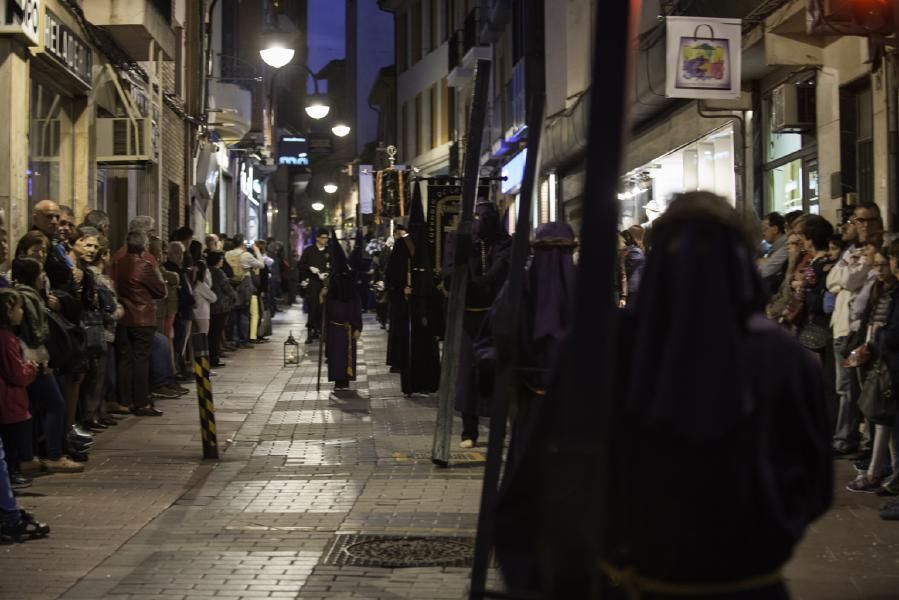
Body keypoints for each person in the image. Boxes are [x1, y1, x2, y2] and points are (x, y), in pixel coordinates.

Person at [598, 192, 831, 600]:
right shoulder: (785, 357)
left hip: (651, 579)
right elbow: (813, 483)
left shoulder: (610, 351)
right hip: (746, 580)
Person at [475, 221, 577, 592]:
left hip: (575, 418)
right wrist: (503, 359)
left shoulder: (585, 293)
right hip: (534, 413)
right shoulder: (517, 293)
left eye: (561, 254)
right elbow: (487, 344)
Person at [11, 257, 83, 472]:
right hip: (35, 360)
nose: (44, 277)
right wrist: (41, 362)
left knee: (33, 408)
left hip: (29, 361)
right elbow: (34, 333)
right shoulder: (29, 298)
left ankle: (31, 455)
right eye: (41, 273)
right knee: (55, 403)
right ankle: (53, 454)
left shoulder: (28, 295)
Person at [451, 201, 511, 448]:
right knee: (468, 375)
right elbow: (452, 270)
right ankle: (469, 431)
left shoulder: (505, 244)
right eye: (475, 217)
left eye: (483, 217)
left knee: (498, 374)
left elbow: (498, 273)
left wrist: (484, 280)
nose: (479, 222)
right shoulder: (464, 243)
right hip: (470, 318)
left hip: (497, 317)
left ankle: (500, 428)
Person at [828, 203, 881, 455]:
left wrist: (844, 281)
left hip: (863, 328)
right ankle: (849, 439)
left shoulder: (876, 251)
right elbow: (832, 281)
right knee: (846, 388)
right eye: (859, 220)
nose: (864, 225)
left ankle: (857, 441)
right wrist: (844, 281)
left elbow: (847, 280)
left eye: (869, 220)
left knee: (863, 390)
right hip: (842, 327)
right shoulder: (852, 251)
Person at [115, 230, 166, 417]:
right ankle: (142, 402)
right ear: (144, 247)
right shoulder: (143, 266)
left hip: (124, 317)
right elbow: (160, 290)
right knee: (141, 361)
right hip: (142, 318)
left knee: (125, 360)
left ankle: (125, 400)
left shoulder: (118, 264)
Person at [0, 289, 38, 488]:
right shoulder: (6, 338)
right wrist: (31, 367)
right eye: (19, 308)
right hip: (9, 399)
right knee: (11, 442)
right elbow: (16, 374)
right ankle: (11, 474)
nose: (22, 312)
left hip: (8, 399)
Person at [324, 233, 363, 391]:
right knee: (335, 355)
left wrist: (357, 326)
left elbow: (355, 306)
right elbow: (327, 308)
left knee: (345, 354)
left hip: (346, 326)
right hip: (335, 327)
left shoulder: (348, 286)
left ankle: (345, 379)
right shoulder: (333, 288)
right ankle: (338, 379)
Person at [297, 228, 331, 344]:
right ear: (317, 238)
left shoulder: (329, 251)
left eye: (326, 238)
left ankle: (323, 331)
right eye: (323, 237)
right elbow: (301, 265)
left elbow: (334, 266)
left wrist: (327, 273)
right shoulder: (309, 251)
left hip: (325, 283)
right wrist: (310, 268)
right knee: (313, 307)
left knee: (324, 308)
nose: (325, 240)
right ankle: (311, 331)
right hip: (313, 283)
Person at [208, 251, 236, 368]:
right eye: (221, 259)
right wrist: (234, 297)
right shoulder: (218, 273)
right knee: (216, 333)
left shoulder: (207, 270)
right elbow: (227, 288)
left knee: (212, 333)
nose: (222, 261)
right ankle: (214, 358)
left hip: (210, 306)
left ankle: (212, 356)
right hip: (220, 306)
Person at [758, 211, 789, 295]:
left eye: (764, 229)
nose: (762, 233)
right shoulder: (775, 246)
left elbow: (765, 271)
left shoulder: (787, 245)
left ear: (775, 229)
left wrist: (763, 261)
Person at [192, 260, 217, 336]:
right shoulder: (200, 285)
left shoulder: (192, 284)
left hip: (194, 314)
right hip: (202, 315)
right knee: (202, 337)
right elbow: (214, 298)